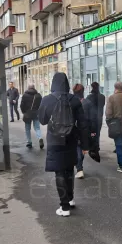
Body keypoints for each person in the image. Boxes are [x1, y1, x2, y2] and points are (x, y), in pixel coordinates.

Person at [38, 73, 89, 217]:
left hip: (55, 140)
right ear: (67, 83)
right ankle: (71, 199)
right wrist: (85, 145)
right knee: (69, 169)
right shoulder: (75, 100)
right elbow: (83, 124)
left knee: (59, 172)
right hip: (71, 139)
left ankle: (64, 206)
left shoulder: (47, 100)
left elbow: (42, 120)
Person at [83, 82, 105, 153]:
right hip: (99, 118)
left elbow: (85, 107)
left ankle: (93, 147)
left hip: (91, 118)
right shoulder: (102, 97)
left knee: (92, 133)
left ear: (92, 88)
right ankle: (96, 146)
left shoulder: (89, 97)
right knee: (97, 133)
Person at [20, 84, 44, 149]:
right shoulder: (38, 95)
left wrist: (24, 112)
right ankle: (40, 138)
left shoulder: (25, 95)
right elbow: (41, 105)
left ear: (28, 88)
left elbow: (22, 105)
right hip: (36, 114)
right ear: (34, 88)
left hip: (27, 114)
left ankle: (29, 142)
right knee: (37, 128)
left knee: (27, 128)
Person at [72, 83, 87, 179]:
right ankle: (79, 166)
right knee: (82, 148)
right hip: (85, 129)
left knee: (77, 148)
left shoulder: (72, 101)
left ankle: (79, 168)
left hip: (76, 129)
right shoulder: (87, 102)